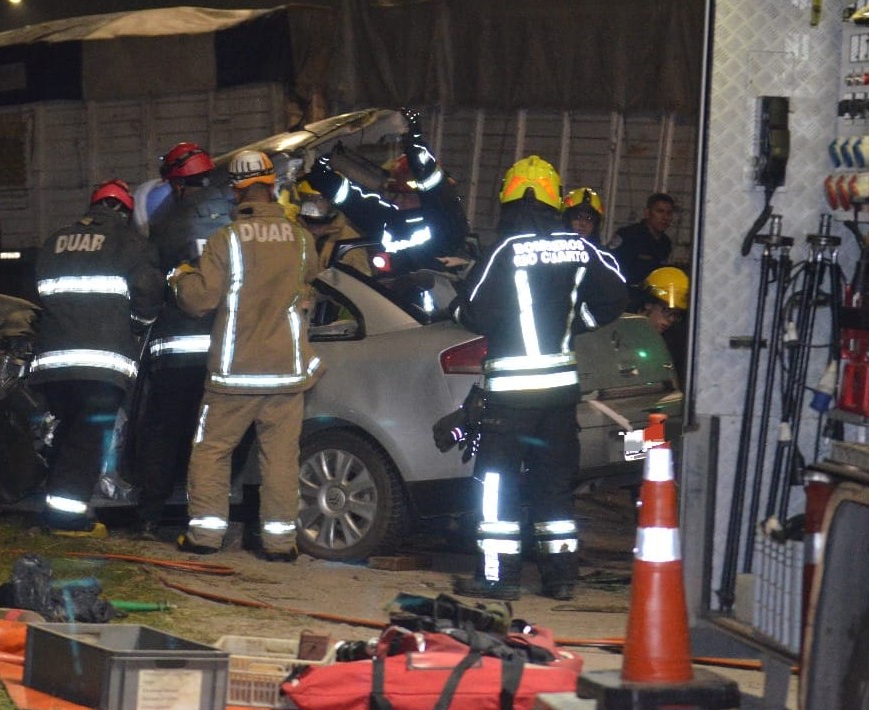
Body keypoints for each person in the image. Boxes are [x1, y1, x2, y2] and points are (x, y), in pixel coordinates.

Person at [448, 155, 627, 601]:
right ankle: (561, 577)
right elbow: (618, 292)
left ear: (509, 196)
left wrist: (457, 309)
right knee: (554, 485)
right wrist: (574, 320)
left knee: (498, 487)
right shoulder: (579, 248)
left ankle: (497, 577)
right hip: (559, 397)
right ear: (553, 197)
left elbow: (472, 310)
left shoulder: (504, 251)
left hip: (510, 399)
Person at [172, 150, 321, 558]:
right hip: (286, 374)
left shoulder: (227, 240)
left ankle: (205, 536)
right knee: (280, 459)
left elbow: (200, 300)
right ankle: (280, 543)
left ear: (236, 192)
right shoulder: (301, 239)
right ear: (272, 185)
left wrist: (180, 278)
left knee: (212, 452)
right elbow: (311, 279)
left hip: (234, 374)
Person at [29, 179, 164, 535]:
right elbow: (148, 297)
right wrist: (137, 324)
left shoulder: (55, 241)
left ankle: (55, 508)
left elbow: (40, 293)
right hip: (102, 366)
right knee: (86, 441)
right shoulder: (131, 244)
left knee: (66, 434)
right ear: (124, 211)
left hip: (54, 366)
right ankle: (67, 519)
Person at [134, 142, 235, 540]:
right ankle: (211, 516)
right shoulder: (231, 218)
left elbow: (150, 279)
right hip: (223, 349)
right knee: (213, 439)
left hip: (175, 352)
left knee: (163, 432)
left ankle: (150, 515)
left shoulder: (167, 222)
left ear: (176, 184)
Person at [307, 108, 468, 268]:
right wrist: (319, 167)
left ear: (422, 195)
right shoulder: (388, 220)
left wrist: (414, 141)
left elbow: (430, 181)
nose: (399, 202)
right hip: (389, 290)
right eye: (397, 195)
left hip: (434, 289)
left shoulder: (446, 222)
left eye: (406, 196)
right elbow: (351, 199)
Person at [632, 265, 690, 383]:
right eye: (667, 310)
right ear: (648, 304)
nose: (670, 320)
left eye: (676, 315)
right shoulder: (617, 329)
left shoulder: (670, 344)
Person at [608, 192, 674, 286]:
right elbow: (609, 265)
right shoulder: (628, 236)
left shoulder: (665, 243)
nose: (665, 217)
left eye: (669, 213)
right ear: (647, 213)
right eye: (660, 211)